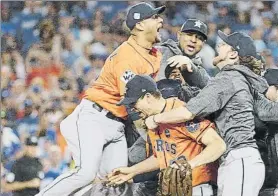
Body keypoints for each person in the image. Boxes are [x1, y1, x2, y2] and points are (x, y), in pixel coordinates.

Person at [36, 3, 166, 196]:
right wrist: (151, 132)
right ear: (139, 25)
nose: (161, 20)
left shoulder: (154, 54)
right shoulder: (127, 56)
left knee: (115, 182)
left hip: (117, 125)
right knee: (85, 173)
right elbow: (133, 102)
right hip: (94, 118)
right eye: (155, 18)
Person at [144, 30, 269, 196]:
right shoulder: (232, 78)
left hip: (240, 157)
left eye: (224, 45)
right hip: (235, 159)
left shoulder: (230, 77)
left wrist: (156, 118)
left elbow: (188, 112)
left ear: (233, 54)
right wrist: (191, 69)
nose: (219, 45)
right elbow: (209, 86)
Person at [106, 75, 226, 196]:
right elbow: (161, 157)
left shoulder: (179, 111)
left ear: (148, 97)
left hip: (197, 186)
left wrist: (190, 165)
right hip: (175, 189)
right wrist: (132, 171)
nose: (132, 108)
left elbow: (218, 145)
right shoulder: (152, 120)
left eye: (133, 103)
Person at [157, 19, 210, 88]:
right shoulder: (160, 52)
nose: (193, 40)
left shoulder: (199, 67)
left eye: (200, 38)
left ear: (203, 43)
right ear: (179, 35)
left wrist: (190, 66)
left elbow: (209, 87)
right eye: (189, 35)